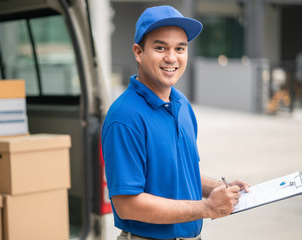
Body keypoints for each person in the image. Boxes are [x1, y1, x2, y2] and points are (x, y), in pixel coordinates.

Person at [101, 5, 250, 240]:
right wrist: (207, 208)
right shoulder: (125, 117)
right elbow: (127, 204)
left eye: (180, 48)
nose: (171, 58)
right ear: (138, 52)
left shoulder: (181, 104)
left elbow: (182, 171)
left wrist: (219, 189)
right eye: (160, 48)